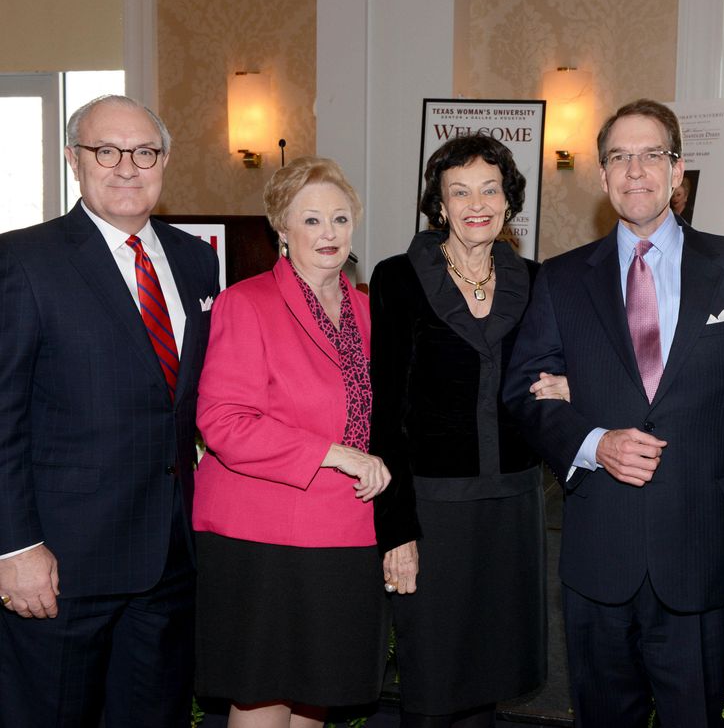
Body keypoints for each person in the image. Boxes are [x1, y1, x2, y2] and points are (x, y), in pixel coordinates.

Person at [504, 98, 724, 728]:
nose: (635, 170)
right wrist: (593, 441)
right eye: (619, 157)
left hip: (703, 550)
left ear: (677, 169)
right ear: (602, 174)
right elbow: (523, 392)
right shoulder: (559, 279)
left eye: (651, 155)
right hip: (598, 556)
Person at [0, 95, 219, 727]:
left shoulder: (195, 259)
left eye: (144, 151)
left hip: (170, 561)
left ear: (164, 161)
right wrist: (15, 547)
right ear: (74, 160)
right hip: (61, 565)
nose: (127, 166)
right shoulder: (23, 260)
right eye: (106, 151)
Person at [370, 134, 561, 728]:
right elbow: (384, 411)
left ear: (509, 200)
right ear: (440, 204)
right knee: (432, 682)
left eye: (489, 189)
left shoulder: (537, 281)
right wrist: (396, 530)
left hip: (513, 507)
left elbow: (559, 370)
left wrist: (570, 384)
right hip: (432, 512)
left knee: (489, 680)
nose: (476, 204)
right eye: (460, 191)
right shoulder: (398, 278)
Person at [193, 156, 391, 727]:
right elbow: (223, 421)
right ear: (282, 228)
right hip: (263, 538)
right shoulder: (246, 302)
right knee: (263, 696)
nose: (329, 233)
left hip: (346, 533)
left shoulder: (368, 310)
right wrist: (332, 453)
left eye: (340, 218)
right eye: (311, 220)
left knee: (315, 694)